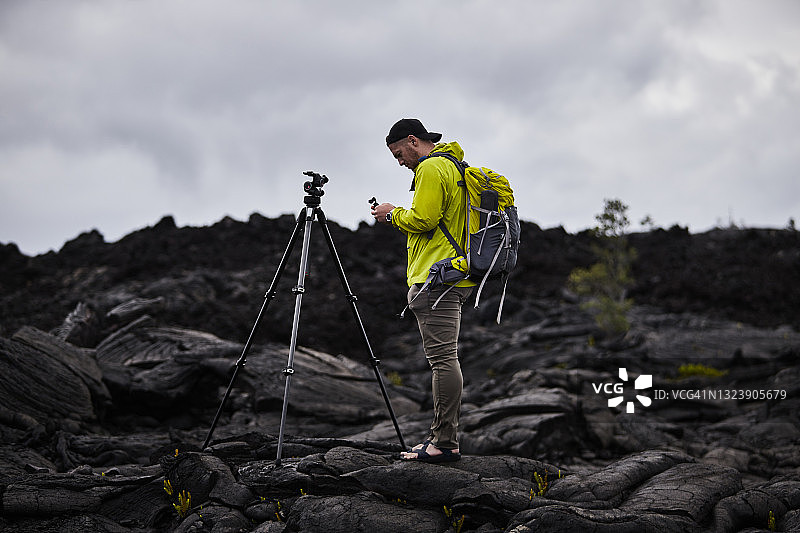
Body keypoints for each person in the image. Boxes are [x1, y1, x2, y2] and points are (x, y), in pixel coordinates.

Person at [371, 118, 475, 463]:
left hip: (437, 280)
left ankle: (444, 443)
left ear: (413, 141)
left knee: (443, 360)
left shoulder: (431, 168)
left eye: (399, 153)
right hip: (455, 275)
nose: (400, 162)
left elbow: (423, 220)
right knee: (444, 358)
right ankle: (441, 438)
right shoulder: (454, 166)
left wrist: (390, 214)